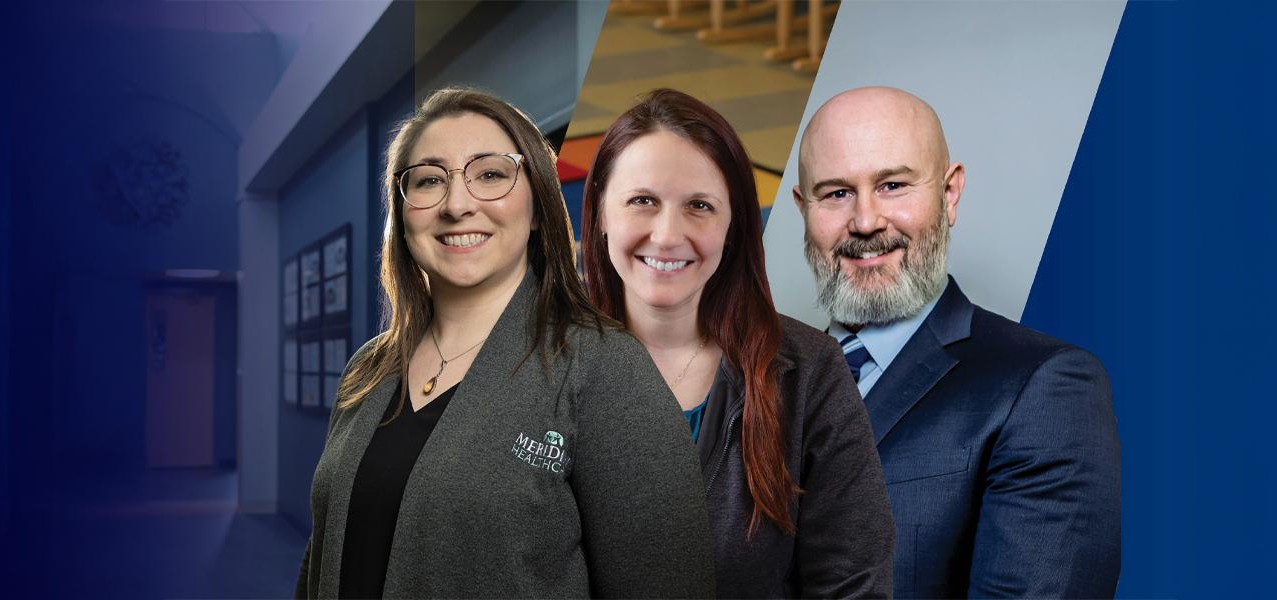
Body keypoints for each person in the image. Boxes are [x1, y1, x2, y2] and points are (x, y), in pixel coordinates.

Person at [296, 88, 715, 599]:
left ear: (538, 206)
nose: (456, 204)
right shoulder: (369, 369)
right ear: (402, 217)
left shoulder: (605, 369)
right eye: (429, 180)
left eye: (490, 174)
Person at [790, 86, 1121, 598]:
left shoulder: (1043, 386)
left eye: (893, 184)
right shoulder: (756, 380)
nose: (865, 221)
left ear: (949, 194)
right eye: (836, 193)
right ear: (802, 209)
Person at [580, 88, 893, 598]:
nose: (666, 235)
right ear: (598, 215)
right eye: (642, 201)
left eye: (699, 206)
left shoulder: (809, 372)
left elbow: (853, 583)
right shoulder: (536, 365)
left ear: (733, 228)